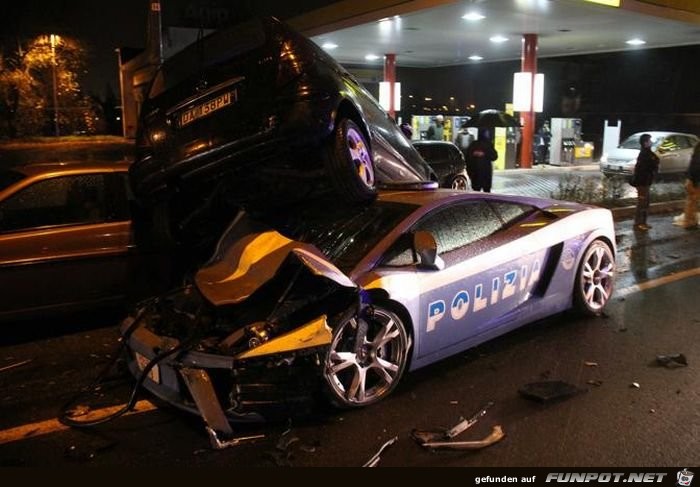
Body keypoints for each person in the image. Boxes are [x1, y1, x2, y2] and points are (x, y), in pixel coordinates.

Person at [630, 133, 660, 231]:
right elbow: (648, 167)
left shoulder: (648, 153)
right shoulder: (644, 154)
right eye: (649, 141)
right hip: (643, 183)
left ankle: (642, 222)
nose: (651, 142)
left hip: (646, 182)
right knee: (643, 203)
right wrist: (654, 163)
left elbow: (656, 161)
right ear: (645, 143)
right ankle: (639, 223)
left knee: (645, 202)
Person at [674, 141, 700, 229]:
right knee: (692, 202)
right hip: (694, 181)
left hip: (692, 180)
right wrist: (694, 181)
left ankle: (690, 221)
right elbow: (695, 168)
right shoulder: (698, 155)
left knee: (692, 202)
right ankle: (690, 222)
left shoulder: (696, 153)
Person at [465, 128, 498, 192]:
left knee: (477, 192)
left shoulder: (473, 144)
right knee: (486, 192)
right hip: (483, 173)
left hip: (477, 173)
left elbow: (467, 158)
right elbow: (494, 156)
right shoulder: (488, 144)